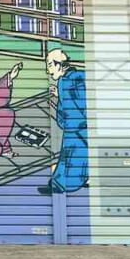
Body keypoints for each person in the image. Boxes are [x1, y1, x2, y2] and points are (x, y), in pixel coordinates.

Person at [39, 48, 88, 194]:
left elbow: (71, 109)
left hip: (76, 127)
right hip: (82, 126)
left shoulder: (66, 81)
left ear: (59, 65)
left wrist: (58, 101)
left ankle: (62, 185)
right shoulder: (74, 77)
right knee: (81, 155)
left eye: (49, 65)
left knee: (72, 156)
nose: (48, 71)